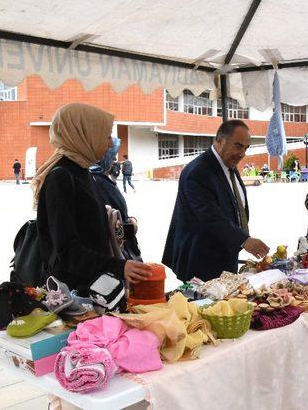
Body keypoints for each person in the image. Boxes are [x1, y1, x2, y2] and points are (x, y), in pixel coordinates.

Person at [34, 103, 152, 297]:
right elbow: (68, 252)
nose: (108, 144)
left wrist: (127, 229)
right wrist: (119, 266)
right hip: (76, 294)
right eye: (105, 136)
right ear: (83, 133)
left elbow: (92, 228)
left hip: (96, 286)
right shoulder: (61, 177)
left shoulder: (82, 171)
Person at [162, 120, 270, 281]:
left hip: (225, 253)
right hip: (201, 261)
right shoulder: (198, 171)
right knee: (203, 305)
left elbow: (234, 205)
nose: (242, 154)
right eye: (238, 146)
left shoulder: (229, 166)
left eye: (246, 148)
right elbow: (209, 215)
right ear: (219, 140)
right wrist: (243, 240)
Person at [90, 137, 142, 261]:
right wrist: (131, 226)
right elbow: (112, 226)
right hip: (117, 255)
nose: (114, 160)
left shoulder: (95, 179)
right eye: (111, 155)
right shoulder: (99, 183)